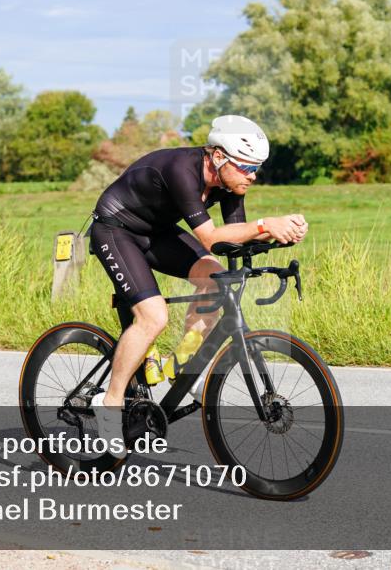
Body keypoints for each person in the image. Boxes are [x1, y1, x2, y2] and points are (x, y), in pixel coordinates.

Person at [88, 114, 308, 457]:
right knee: (153, 316)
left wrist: (279, 237)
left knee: (214, 282)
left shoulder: (230, 183)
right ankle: (110, 402)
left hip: (155, 231)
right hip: (116, 229)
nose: (252, 176)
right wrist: (266, 224)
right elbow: (209, 237)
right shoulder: (182, 170)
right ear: (218, 156)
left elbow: (233, 240)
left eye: (257, 168)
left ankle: (181, 369)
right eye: (246, 167)